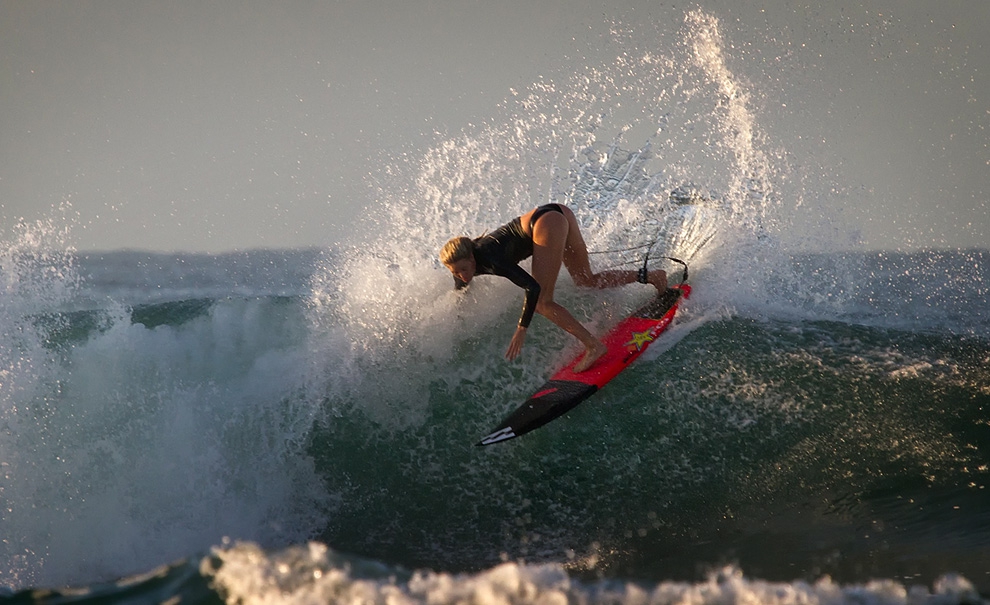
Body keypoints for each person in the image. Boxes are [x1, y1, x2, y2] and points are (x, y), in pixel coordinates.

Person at [440, 203, 667, 373]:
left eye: (463, 268)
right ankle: (652, 276)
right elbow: (460, 291)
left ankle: (593, 346)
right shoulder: (463, 268)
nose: (461, 275)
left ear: (471, 256)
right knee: (585, 279)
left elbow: (532, 287)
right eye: (455, 272)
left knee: (542, 303)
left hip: (546, 223)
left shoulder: (490, 258)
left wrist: (522, 328)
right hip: (557, 212)